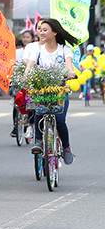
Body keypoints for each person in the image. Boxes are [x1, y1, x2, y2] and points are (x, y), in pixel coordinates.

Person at [25, 18, 77, 164]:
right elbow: (30, 64)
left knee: (60, 119)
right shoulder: (37, 48)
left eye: (45, 29)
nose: (41, 32)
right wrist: (26, 74)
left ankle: (66, 148)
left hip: (59, 89)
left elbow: (68, 64)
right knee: (39, 111)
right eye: (40, 29)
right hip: (41, 88)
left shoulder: (64, 49)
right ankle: (38, 142)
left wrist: (70, 72)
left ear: (54, 32)